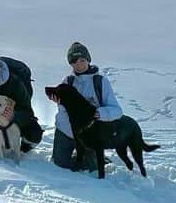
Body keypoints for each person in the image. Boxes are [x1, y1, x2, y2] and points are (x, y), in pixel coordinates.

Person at [48, 41, 123, 171]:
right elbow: (63, 112)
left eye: (82, 60)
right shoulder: (68, 81)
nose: (78, 64)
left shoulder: (100, 82)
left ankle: (95, 159)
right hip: (66, 130)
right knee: (59, 165)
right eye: (74, 61)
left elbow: (117, 111)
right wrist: (60, 102)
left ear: (88, 60)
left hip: (90, 132)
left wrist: (98, 113)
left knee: (93, 168)